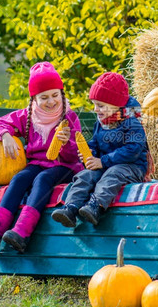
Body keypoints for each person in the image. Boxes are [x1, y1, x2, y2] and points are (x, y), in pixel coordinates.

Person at [0, 62, 83, 253]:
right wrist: (5, 135)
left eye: (55, 95)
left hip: (65, 165)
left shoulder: (69, 117)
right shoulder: (27, 116)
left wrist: (65, 144)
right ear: (34, 99)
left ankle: (22, 233)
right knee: (20, 178)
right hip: (38, 162)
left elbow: (75, 155)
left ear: (61, 94)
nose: (51, 101)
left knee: (43, 179)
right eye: (44, 97)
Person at [51, 72, 148, 227]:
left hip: (132, 166)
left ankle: (96, 206)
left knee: (112, 174)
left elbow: (133, 150)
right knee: (85, 176)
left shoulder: (131, 122)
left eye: (101, 105)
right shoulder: (102, 121)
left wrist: (102, 161)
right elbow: (95, 142)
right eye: (94, 104)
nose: (96, 109)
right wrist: (89, 154)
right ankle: (70, 207)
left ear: (117, 104)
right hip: (105, 164)